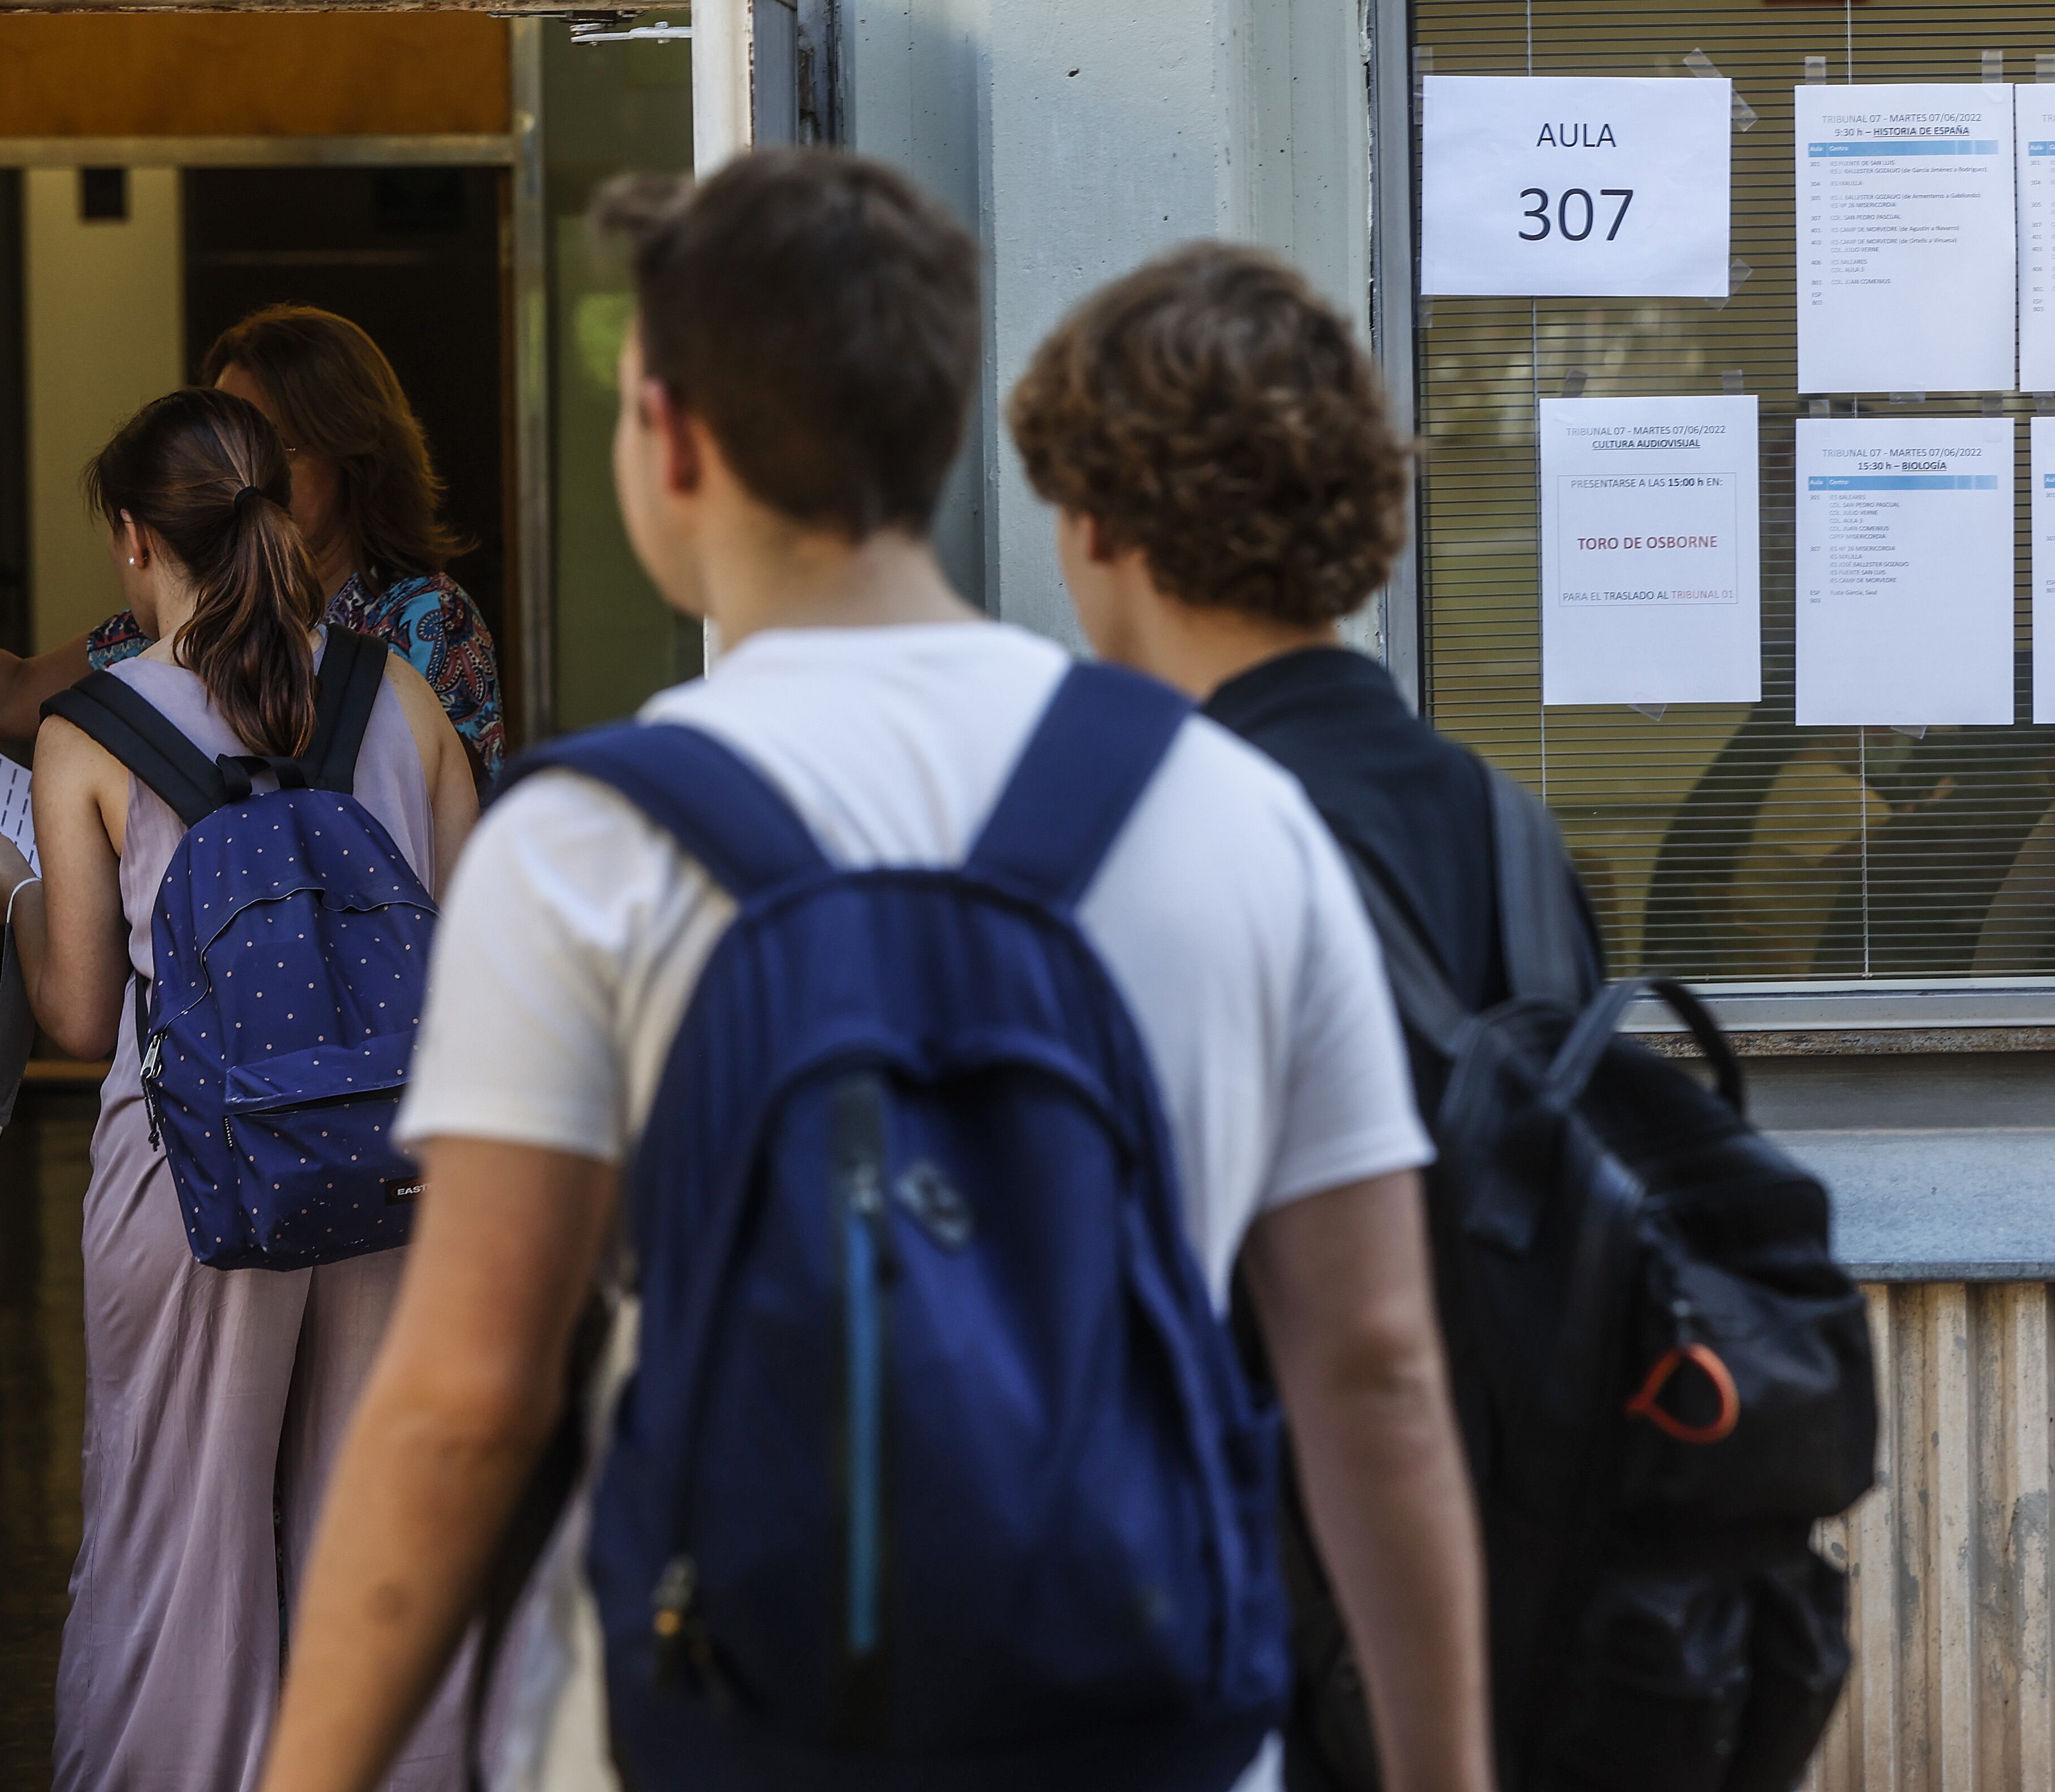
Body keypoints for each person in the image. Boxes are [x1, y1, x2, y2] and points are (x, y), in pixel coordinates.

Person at [255, 150, 1491, 1792]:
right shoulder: (1231, 812)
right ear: (934, 422)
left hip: (718, 1734)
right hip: (1139, 1734)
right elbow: (1372, 1369)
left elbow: (463, 1401)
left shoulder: (583, 852)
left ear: (672, 437)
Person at [1008, 243, 1857, 1792]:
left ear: (1105, 525)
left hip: (1268, 1639)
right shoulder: (1511, 831)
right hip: (1536, 1607)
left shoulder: (1151, 844)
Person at [0, 387, 481, 1791]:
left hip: (190, 1180)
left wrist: (19, 897)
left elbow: (73, 1014)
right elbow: (477, 953)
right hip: (393, 1166)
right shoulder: (401, 691)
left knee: (178, 1541)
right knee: (374, 1526)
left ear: (135, 539)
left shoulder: (93, 725)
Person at [0, 304, 503, 780]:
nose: (237, 471)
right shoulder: (172, 619)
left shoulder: (424, 620)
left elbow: (454, 848)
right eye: (217, 447)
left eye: (271, 445)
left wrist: (26, 894)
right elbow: (13, 694)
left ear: (354, 454)